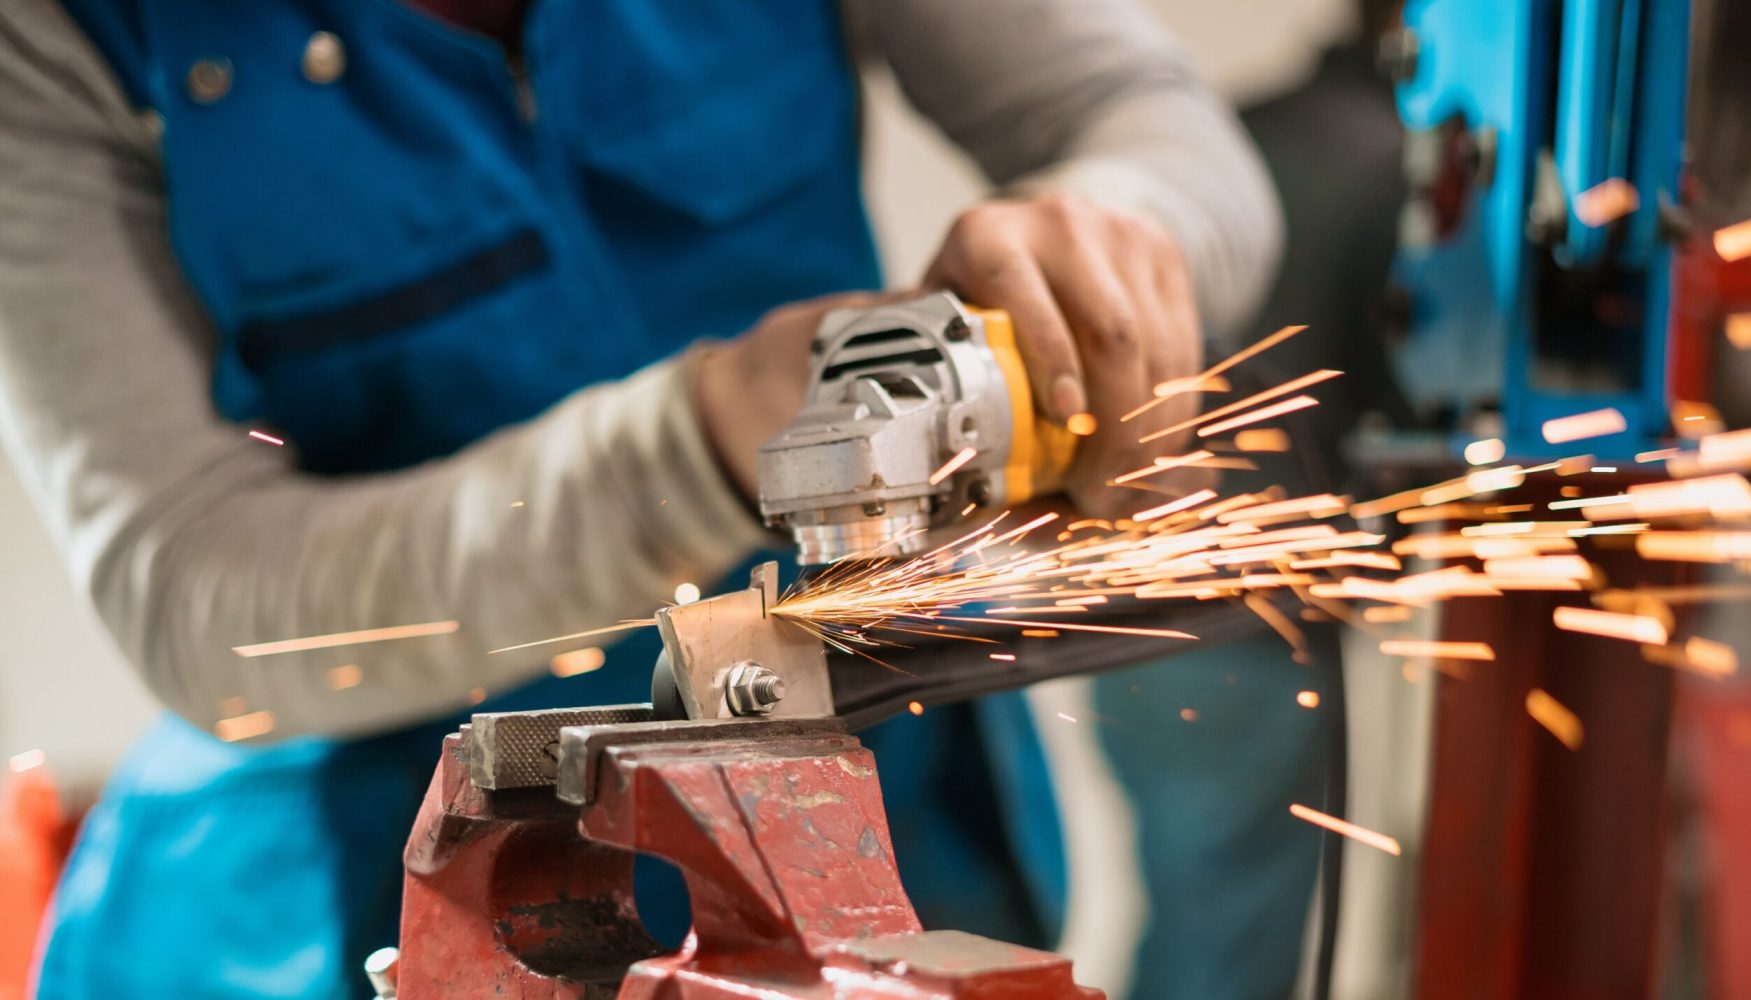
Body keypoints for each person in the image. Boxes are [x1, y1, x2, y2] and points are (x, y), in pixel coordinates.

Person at [0, 0, 1283, 995]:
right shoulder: (56, 33)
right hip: (342, 876)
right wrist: (704, 437)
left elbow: (1144, 118)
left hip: (855, 787)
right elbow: (208, 596)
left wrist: (1113, 242)